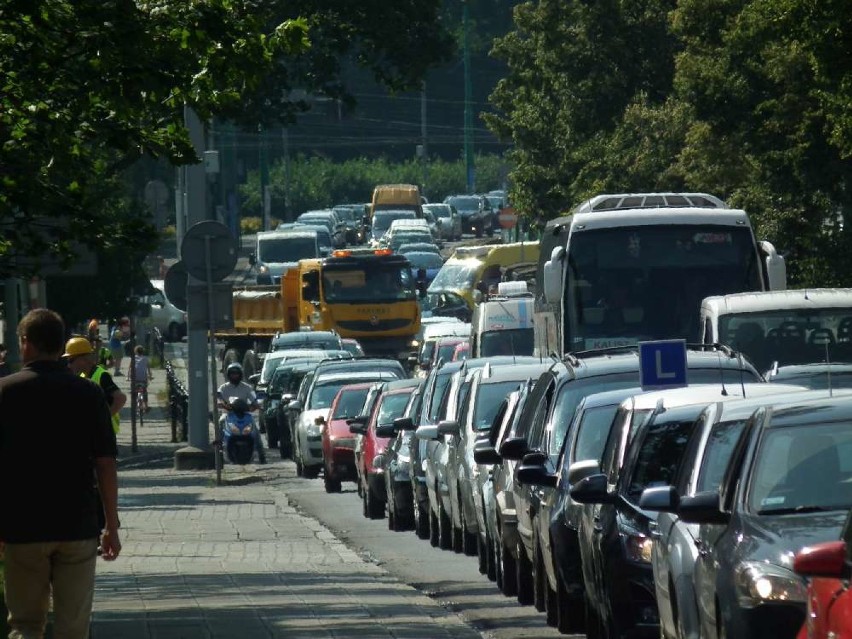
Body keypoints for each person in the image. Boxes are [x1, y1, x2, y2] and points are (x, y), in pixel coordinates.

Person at [0, 308, 121, 639]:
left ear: (26, 344)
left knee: (25, 625)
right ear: (60, 345)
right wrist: (111, 524)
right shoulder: (89, 394)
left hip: (21, 527)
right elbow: (106, 463)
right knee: (73, 628)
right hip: (77, 527)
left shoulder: (5, 393)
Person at [64, 336, 126, 434]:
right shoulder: (83, 375)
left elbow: (121, 398)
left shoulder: (102, 375)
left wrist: (104, 419)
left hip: (105, 432)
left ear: (83, 359)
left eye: (70, 360)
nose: (69, 365)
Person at [217, 363, 265, 464]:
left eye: (236, 374)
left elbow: (254, 399)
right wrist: (222, 404)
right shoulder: (223, 388)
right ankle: (218, 453)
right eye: (232, 374)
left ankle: (262, 456)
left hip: (245, 414)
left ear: (240, 375)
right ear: (228, 375)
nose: (234, 376)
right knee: (220, 423)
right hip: (228, 414)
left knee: (255, 431)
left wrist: (257, 405)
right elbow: (219, 399)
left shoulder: (247, 387)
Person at [128, 344, 154, 412]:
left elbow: (130, 368)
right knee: (144, 391)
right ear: (143, 351)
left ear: (135, 351)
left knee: (134, 390)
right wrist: (150, 376)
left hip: (134, 378)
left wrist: (128, 377)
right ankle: (146, 406)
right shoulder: (145, 358)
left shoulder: (133, 358)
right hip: (143, 378)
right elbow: (148, 369)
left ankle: (133, 404)